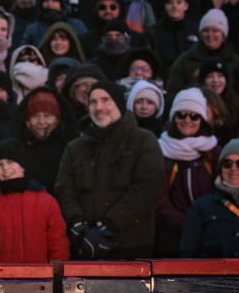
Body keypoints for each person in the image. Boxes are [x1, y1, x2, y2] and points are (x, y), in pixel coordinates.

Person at [56, 80, 163, 260]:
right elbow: (64, 189)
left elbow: (146, 189)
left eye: (106, 100)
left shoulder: (143, 141)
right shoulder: (74, 148)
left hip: (132, 247)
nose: (99, 107)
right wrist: (78, 225)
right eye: (93, 102)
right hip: (85, 246)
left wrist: (109, 227)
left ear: (119, 104)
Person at [0, 139, 70, 263]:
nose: (5, 168)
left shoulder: (47, 202)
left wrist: (57, 276)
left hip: (39, 278)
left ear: (23, 166)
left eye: (10, 162)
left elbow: (58, 242)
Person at [154, 88, 219, 257]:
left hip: (210, 233)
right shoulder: (160, 151)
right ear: (173, 118)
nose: (187, 120)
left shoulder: (214, 152)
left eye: (194, 116)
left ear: (202, 119)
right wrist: (188, 223)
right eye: (181, 115)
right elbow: (158, 199)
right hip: (172, 238)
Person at [12, 86, 74, 197]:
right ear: (27, 121)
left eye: (47, 116)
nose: (41, 122)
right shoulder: (15, 148)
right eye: (35, 116)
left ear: (57, 119)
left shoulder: (70, 148)